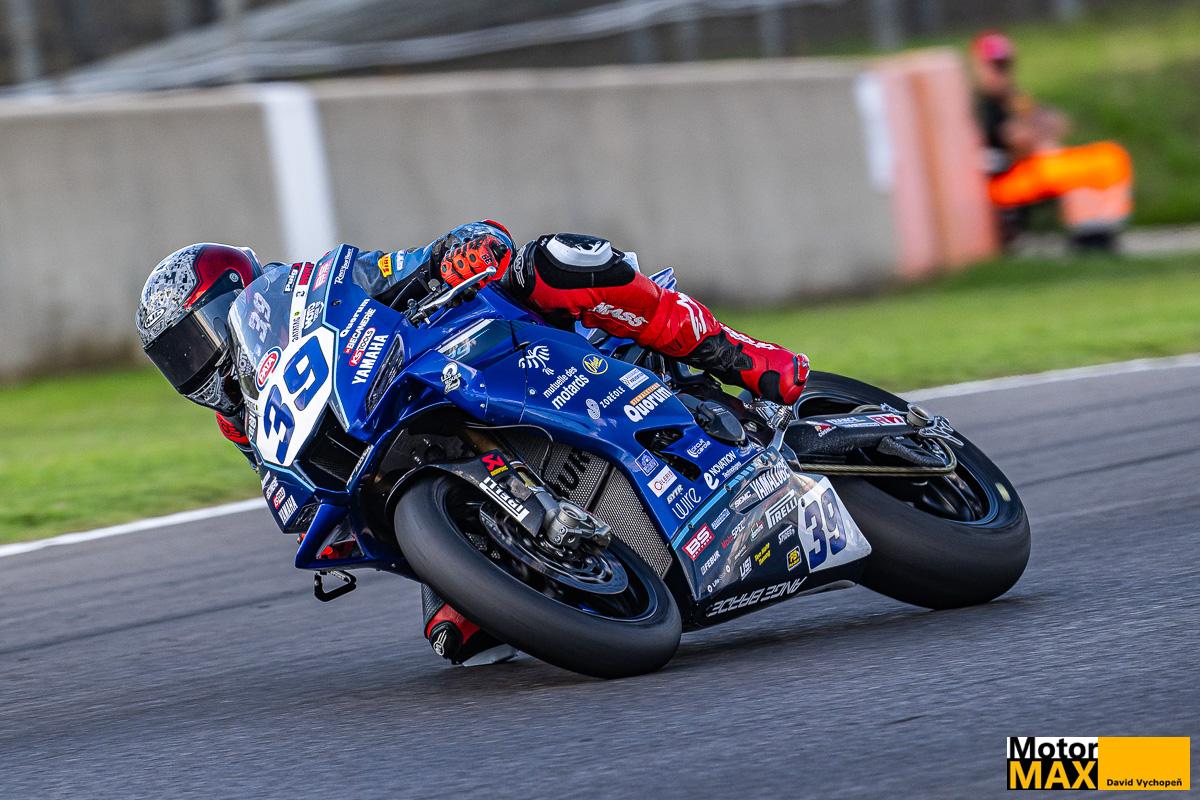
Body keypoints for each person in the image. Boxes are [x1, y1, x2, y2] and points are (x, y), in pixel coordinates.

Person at [135, 221, 809, 665]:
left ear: (237, 299)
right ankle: (571, 558)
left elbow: (417, 260)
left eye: (194, 339)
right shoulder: (245, 423)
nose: (195, 366)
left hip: (476, 356)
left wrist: (459, 251)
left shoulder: (314, 291)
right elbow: (296, 501)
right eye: (176, 359)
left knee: (556, 261)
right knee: (457, 640)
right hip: (418, 463)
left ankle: (745, 357)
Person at [970, 31, 1132, 250]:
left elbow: (1057, 123)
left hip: (1037, 165)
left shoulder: (1013, 98)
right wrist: (1034, 131)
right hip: (1009, 178)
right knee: (1080, 169)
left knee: (1109, 156)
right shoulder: (982, 107)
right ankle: (1089, 232)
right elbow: (1018, 140)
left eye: (1004, 67)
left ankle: (1099, 228)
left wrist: (1035, 128)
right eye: (994, 67)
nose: (1001, 74)